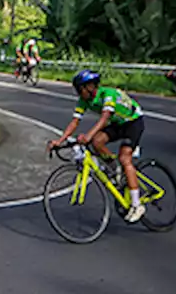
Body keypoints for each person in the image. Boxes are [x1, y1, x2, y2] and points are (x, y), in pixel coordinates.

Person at [48, 70, 147, 222]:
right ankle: (115, 170)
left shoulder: (107, 94)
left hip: (133, 122)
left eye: (80, 89)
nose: (78, 93)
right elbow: (75, 122)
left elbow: (104, 117)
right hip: (117, 123)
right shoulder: (84, 100)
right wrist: (59, 141)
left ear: (90, 86)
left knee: (124, 157)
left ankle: (136, 204)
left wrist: (87, 135)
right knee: (97, 142)